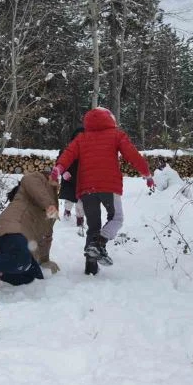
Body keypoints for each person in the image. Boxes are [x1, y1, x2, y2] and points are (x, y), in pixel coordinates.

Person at [51, 107, 154, 266]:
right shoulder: (116, 135)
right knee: (116, 218)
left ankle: (91, 267)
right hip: (109, 186)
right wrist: (147, 174)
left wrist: (59, 168)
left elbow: (68, 153)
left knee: (93, 226)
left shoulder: (81, 138)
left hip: (86, 188)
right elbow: (132, 155)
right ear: (110, 119)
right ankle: (99, 243)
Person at [0, 172, 61, 289]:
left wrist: (45, 260)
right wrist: (50, 205)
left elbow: (47, 235)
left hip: (23, 239)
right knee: (22, 259)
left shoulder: (49, 209)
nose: (57, 182)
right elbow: (32, 184)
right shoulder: (35, 179)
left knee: (33, 275)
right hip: (12, 227)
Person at [59, 127, 84, 227]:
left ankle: (80, 219)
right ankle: (67, 211)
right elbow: (59, 162)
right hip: (69, 179)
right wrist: (64, 172)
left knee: (81, 202)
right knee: (69, 200)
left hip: (82, 180)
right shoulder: (67, 149)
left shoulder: (88, 150)